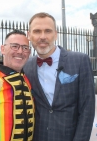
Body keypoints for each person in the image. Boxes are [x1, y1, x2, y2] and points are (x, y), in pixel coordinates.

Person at [23, 12, 95, 141]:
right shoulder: (26, 66)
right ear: (29, 35)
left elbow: (87, 109)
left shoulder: (80, 61)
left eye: (48, 31)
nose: (43, 36)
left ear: (56, 34)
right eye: (37, 31)